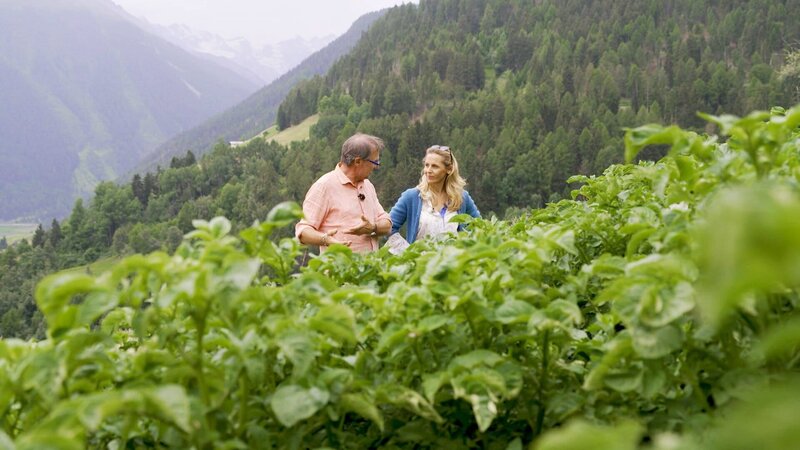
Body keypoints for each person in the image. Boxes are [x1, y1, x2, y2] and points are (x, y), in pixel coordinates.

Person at [295, 133, 392, 253]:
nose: (376, 167)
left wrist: (373, 228)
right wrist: (326, 239)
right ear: (357, 162)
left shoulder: (368, 186)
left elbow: (387, 224)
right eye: (375, 162)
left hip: (371, 269)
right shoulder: (324, 186)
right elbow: (303, 231)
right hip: (339, 270)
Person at [388, 145, 480, 250]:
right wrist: (407, 252)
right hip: (419, 264)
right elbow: (388, 228)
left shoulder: (462, 197)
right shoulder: (412, 197)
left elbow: (480, 227)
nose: (428, 170)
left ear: (449, 169)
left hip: (454, 263)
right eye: (427, 165)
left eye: (435, 166)